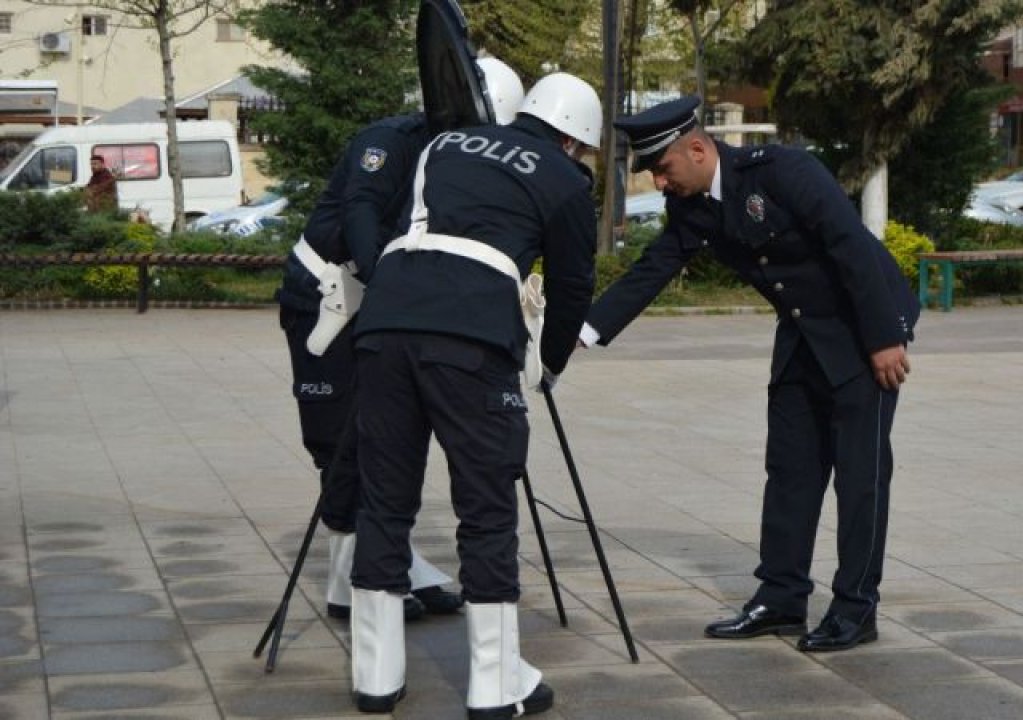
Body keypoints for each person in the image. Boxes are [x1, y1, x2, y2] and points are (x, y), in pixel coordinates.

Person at [580, 96, 919, 654]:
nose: (659, 183)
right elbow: (653, 270)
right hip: (802, 332)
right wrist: (583, 332)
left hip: (863, 328)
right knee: (789, 469)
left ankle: (856, 609)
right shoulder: (692, 207)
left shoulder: (784, 172)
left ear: (696, 149)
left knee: (860, 477)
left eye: (662, 169)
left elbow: (851, 246)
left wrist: (884, 338)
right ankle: (781, 597)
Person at [347, 71, 601, 716]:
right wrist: (549, 364)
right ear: (576, 141)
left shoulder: (448, 144)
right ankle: (494, 684)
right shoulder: (567, 180)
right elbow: (571, 287)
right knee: (487, 510)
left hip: (384, 325)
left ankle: (375, 677)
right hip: (472, 338)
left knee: (383, 499)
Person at [276, 58, 526, 628]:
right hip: (331, 299)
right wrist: (387, 282)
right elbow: (362, 212)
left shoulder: (462, 158)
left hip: (391, 310)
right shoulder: (390, 141)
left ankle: (389, 557)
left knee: (388, 443)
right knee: (340, 438)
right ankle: (346, 575)